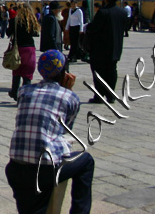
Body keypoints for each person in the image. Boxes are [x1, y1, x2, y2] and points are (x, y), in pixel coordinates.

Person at [5, 49, 94, 213]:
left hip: (15, 168)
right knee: (86, 161)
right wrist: (68, 90)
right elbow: (65, 129)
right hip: (45, 169)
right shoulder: (69, 97)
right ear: (64, 72)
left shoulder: (24, 91)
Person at [85, 0, 126, 104]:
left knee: (99, 73)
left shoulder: (103, 12)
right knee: (112, 72)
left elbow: (94, 28)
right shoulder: (122, 13)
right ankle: (111, 95)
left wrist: (88, 27)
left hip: (100, 49)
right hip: (115, 49)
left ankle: (99, 95)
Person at [8, 4, 39, 101]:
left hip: (18, 48)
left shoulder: (14, 21)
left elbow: (8, 33)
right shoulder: (32, 20)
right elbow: (35, 33)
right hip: (29, 48)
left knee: (16, 70)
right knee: (27, 73)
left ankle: (14, 91)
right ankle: (26, 95)